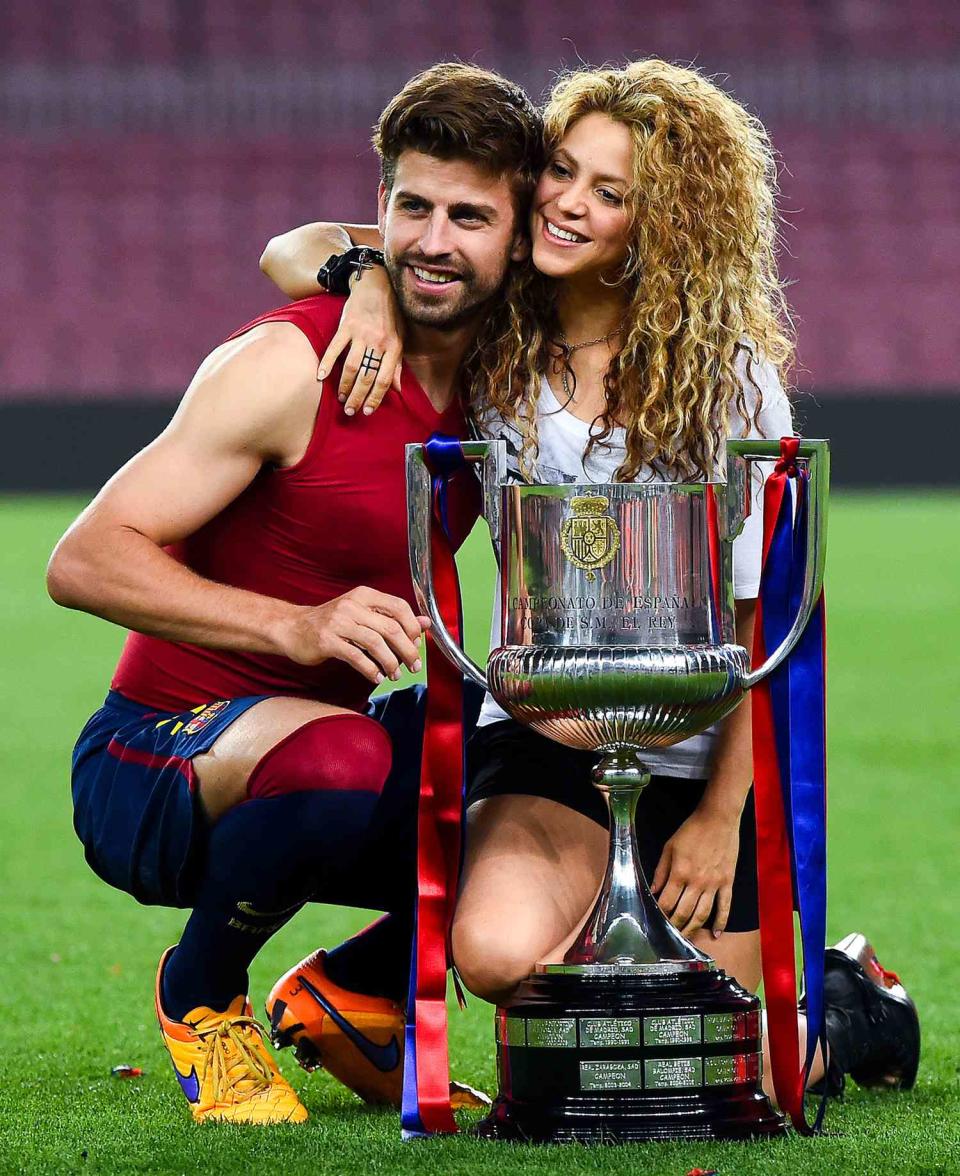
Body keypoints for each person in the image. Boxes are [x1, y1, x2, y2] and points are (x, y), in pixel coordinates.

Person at [259, 59, 920, 1105]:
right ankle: (417, 966)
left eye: (611, 193)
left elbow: (766, 610)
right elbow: (290, 247)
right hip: (547, 733)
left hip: (705, 744)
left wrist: (718, 818)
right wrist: (370, 287)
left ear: (665, 221)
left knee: (750, 1075)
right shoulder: (493, 326)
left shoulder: (730, 373)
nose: (569, 202)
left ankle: (849, 1002)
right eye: (563, 172)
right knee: (494, 955)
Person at [47, 62, 543, 1125]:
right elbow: (83, 559)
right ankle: (200, 997)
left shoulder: (500, 381)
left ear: (517, 235)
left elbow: (303, 247)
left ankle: (352, 994)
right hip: (156, 762)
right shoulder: (293, 365)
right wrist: (295, 624)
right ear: (380, 209)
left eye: (469, 215)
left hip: (316, 750)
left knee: (532, 774)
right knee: (348, 753)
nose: (433, 241)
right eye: (411, 208)